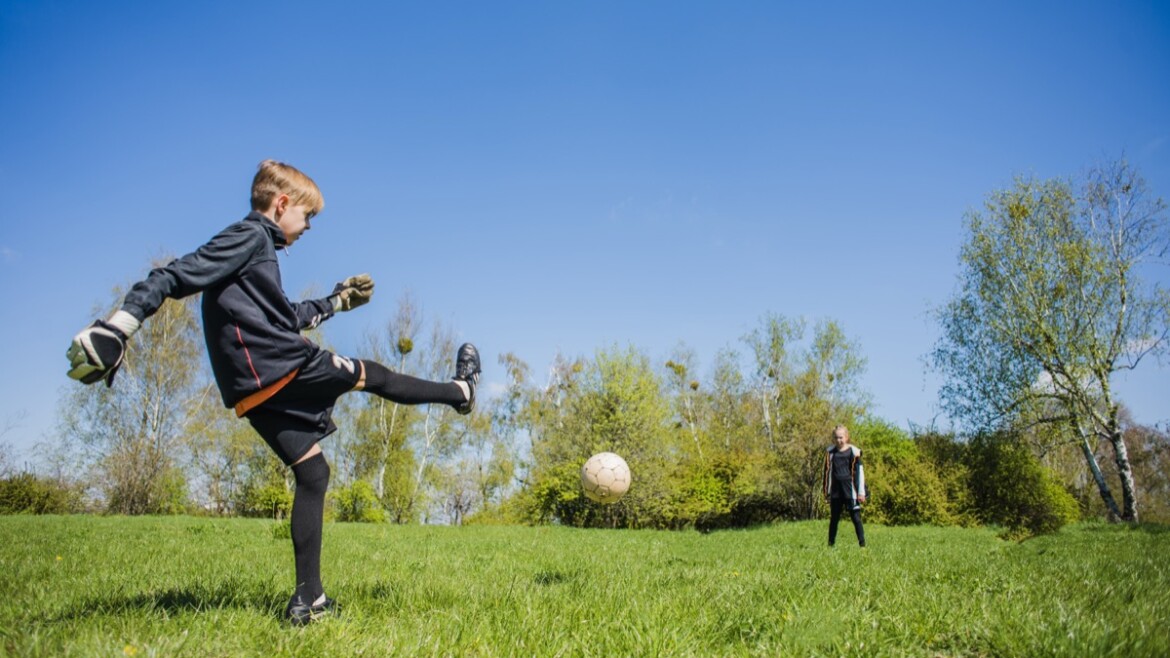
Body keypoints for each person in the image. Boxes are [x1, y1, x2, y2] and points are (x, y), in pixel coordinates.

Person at [65, 160, 481, 625]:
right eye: (308, 216)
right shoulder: (250, 237)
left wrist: (337, 302)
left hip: (251, 391)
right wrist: (118, 326)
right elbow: (174, 275)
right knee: (371, 374)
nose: (308, 227)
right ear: (281, 204)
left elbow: (285, 315)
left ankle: (309, 601)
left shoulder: (256, 257)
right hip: (277, 367)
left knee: (313, 472)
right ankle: (460, 391)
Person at [822, 424, 866, 547]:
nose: (838, 440)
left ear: (846, 437)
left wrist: (861, 492)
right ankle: (830, 544)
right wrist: (827, 492)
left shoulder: (854, 452)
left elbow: (860, 472)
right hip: (836, 492)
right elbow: (826, 473)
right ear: (833, 438)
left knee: (856, 518)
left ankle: (862, 544)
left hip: (850, 490)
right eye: (836, 437)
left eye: (841, 437)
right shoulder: (830, 453)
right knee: (834, 519)